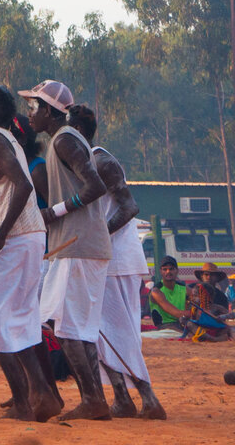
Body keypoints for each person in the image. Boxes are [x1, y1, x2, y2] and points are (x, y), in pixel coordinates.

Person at [0, 85, 60, 423]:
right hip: (30, 236)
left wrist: (0, 236)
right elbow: (5, 188)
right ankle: (41, 394)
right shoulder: (6, 140)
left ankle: (24, 402)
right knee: (18, 319)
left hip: (18, 237)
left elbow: (23, 186)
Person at [20, 79, 110, 421]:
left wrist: (53, 212)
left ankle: (92, 399)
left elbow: (95, 185)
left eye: (33, 107)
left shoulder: (65, 140)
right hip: (78, 244)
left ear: (49, 110)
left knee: (66, 328)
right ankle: (95, 400)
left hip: (78, 244)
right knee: (77, 329)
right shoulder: (62, 140)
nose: (29, 114)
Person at [68, 104, 166, 419]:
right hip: (102, 259)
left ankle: (149, 400)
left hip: (116, 261)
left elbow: (130, 208)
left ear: (77, 133)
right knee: (99, 333)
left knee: (116, 332)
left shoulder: (101, 161)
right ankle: (123, 399)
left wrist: (98, 236)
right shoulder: (88, 163)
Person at [186, 262, 230, 342]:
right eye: (206, 275)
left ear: (217, 278)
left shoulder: (221, 297)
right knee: (189, 324)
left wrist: (221, 317)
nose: (209, 277)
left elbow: (226, 315)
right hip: (199, 325)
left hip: (214, 327)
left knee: (228, 328)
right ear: (202, 276)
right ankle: (210, 338)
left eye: (212, 275)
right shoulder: (192, 288)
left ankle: (212, 338)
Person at [149, 256, 187, 331]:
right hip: (164, 326)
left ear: (177, 270)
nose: (168, 272)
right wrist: (196, 314)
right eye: (165, 269)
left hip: (182, 322)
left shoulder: (184, 288)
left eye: (171, 269)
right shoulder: (156, 291)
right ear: (161, 271)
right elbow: (177, 313)